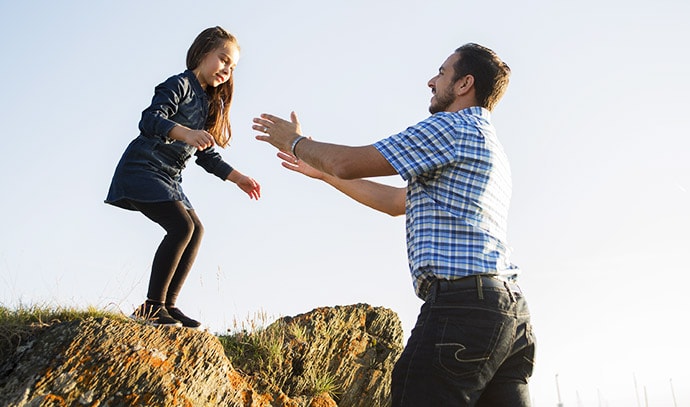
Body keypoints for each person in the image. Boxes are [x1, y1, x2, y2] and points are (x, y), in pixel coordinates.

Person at [253, 43, 535, 406]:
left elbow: (347, 162)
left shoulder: (450, 128)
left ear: (465, 84)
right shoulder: (486, 142)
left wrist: (294, 142)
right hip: (509, 316)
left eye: (442, 72)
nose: (431, 81)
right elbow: (395, 202)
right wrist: (324, 175)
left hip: (462, 307)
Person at [105, 26, 261, 328]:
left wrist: (238, 178)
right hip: (143, 168)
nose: (227, 69)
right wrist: (186, 133)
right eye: (223, 59)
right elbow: (150, 119)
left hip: (169, 177)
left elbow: (206, 154)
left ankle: (168, 305)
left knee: (196, 230)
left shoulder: (207, 103)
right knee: (181, 226)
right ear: (203, 53)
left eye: (233, 66)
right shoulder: (179, 85)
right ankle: (151, 307)